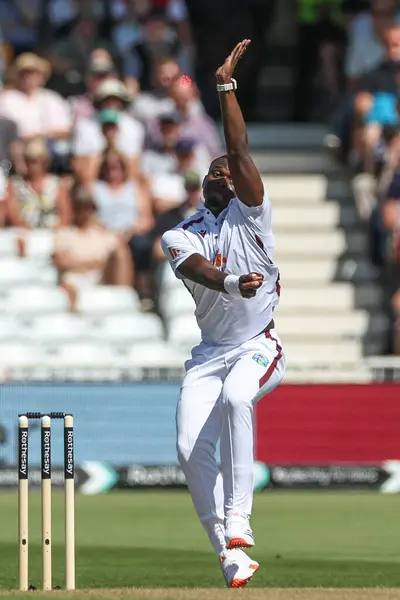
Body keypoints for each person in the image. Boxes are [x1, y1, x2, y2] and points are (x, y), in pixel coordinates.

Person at [161, 40, 285, 588]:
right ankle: (230, 554)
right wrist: (234, 280)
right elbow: (198, 272)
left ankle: (240, 520)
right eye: (217, 171)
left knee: (240, 396)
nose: (226, 174)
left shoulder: (252, 216)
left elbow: (237, 147)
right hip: (209, 354)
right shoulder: (180, 233)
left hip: (259, 344)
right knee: (189, 449)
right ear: (205, 182)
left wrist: (225, 87)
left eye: (231, 170)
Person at [52, 184, 133, 312]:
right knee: (68, 287)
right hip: (75, 279)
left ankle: (124, 305)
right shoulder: (64, 233)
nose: (84, 212)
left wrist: (79, 262)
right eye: (80, 208)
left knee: (122, 253)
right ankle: (75, 321)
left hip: (101, 277)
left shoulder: (105, 235)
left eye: (88, 208)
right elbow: (62, 261)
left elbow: (115, 260)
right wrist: (95, 263)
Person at [92, 148, 154, 296]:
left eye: (117, 165)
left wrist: (129, 231)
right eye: (108, 166)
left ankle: (143, 290)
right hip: (105, 232)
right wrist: (110, 232)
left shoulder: (134, 189)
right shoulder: (96, 189)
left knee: (142, 244)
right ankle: (123, 293)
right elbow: (91, 217)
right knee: (116, 248)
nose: (113, 169)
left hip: (131, 233)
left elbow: (147, 219)